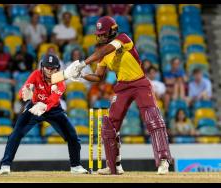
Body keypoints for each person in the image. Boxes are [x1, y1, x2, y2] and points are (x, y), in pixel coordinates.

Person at [57, 16, 172, 175]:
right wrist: (80, 75)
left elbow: (106, 49)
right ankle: (114, 167)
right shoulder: (103, 54)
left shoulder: (123, 39)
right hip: (122, 87)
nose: (100, 36)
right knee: (109, 125)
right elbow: (98, 77)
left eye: (103, 33)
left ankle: (164, 161)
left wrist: (83, 64)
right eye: (99, 34)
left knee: (152, 117)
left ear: (112, 30)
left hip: (140, 83)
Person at [0, 53, 87, 175]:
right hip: (34, 107)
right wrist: (25, 93)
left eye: (53, 68)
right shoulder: (36, 74)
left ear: (57, 69)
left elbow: (54, 100)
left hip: (53, 110)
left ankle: (75, 166)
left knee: (73, 136)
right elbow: (24, 89)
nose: (50, 71)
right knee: (15, 134)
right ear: (42, 67)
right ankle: (5, 165)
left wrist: (45, 106)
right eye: (47, 68)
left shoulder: (60, 81)